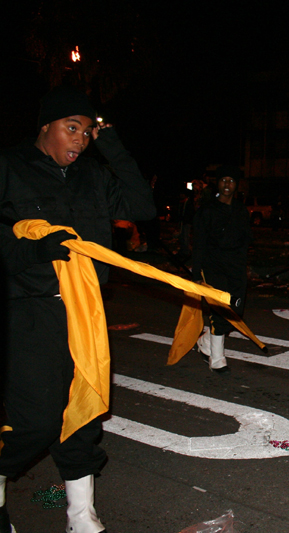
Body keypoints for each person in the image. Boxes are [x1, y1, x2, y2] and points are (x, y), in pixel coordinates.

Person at [0, 85, 156, 533]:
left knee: (85, 413)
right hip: (30, 310)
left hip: (86, 311)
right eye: (72, 129)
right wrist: (32, 250)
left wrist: (110, 142)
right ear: (45, 126)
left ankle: (80, 514)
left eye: (88, 133)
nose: (80, 140)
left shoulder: (93, 175)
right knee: (36, 420)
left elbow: (142, 205)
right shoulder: (10, 167)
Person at [192, 165, 252, 375]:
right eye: (223, 180)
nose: (227, 185)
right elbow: (198, 243)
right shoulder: (206, 210)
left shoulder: (241, 210)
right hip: (213, 264)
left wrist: (244, 266)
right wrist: (196, 272)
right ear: (217, 183)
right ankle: (217, 358)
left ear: (237, 185)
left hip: (235, 265)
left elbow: (245, 242)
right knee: (220, 307)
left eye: (231, 181)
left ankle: (205, 341)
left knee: (236, 309)